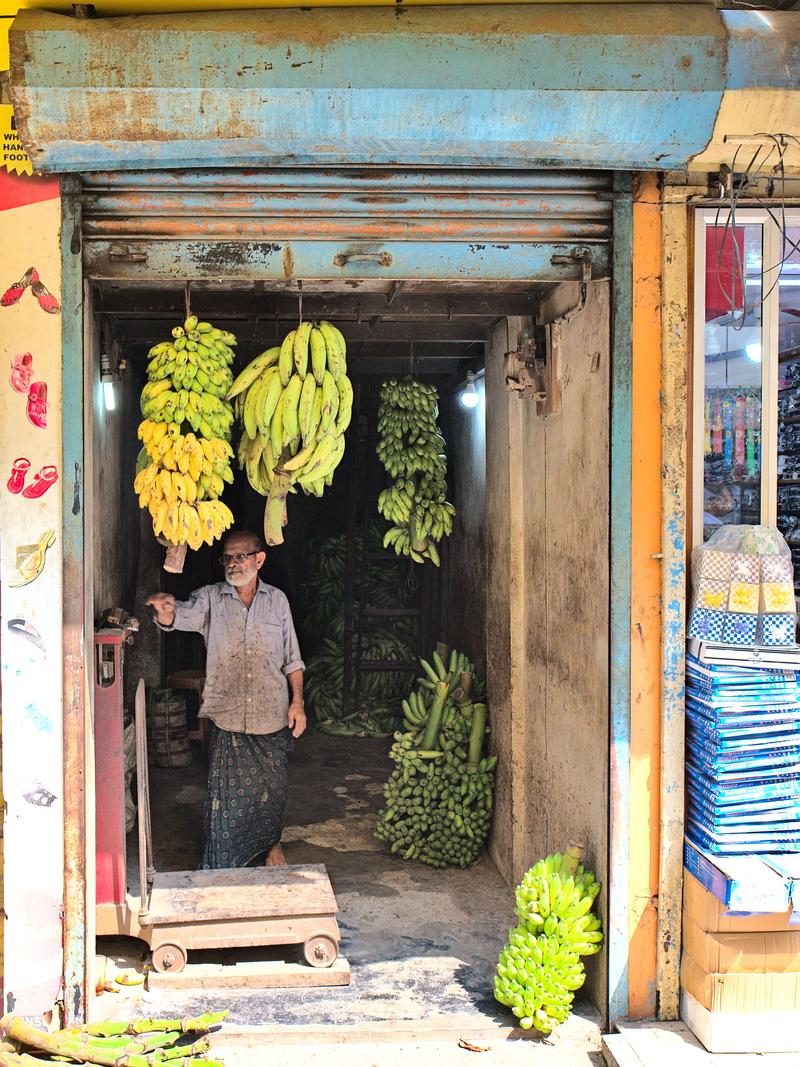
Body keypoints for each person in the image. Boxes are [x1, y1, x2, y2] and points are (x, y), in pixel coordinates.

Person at [145, 530, 306, 869]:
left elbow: (292, 657)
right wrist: (165, 612)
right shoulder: (211, 598)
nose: (233, 564)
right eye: (227, 558)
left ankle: (270, 846)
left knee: (271, 790)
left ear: (259, 560)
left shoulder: (277, 601)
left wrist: (298, 703)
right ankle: (223, 861)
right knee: (227, 799)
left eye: (241, 557)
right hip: (229, 716)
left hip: (271, 712)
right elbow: (181, 616)